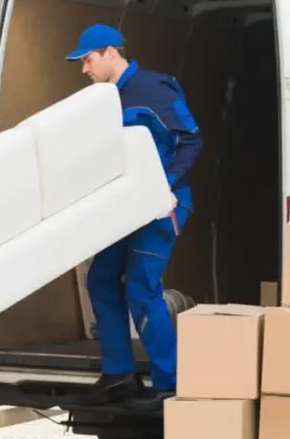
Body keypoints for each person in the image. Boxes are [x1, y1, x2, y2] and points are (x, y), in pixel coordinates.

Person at [66, 24, 203, 410]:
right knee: (100, 278)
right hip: (124, 210)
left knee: (141, 289)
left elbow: (192, 139)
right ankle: (120, 375)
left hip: (162, 207)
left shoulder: (154, 89)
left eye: (88, 60)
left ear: (111, 52)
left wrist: (165, 187)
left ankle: (169, 384)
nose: (84, 70)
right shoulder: (102, 100)